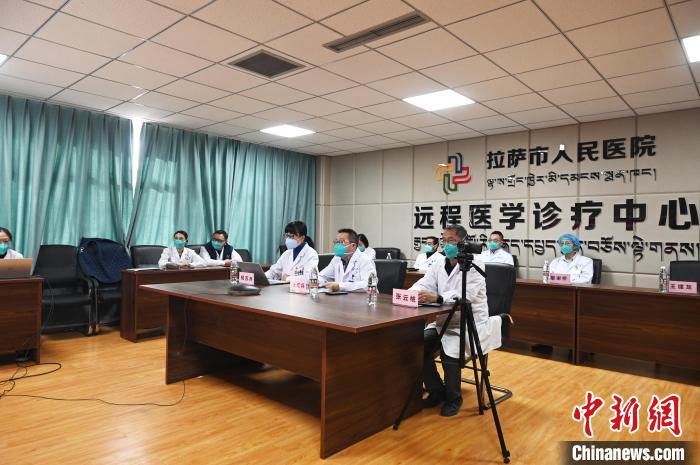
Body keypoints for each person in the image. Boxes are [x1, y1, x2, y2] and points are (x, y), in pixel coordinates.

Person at [409, 224, 506, 417]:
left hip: (469, 324)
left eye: (451, 240)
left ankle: (454, 398)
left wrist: (438, 298)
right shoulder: (439, 262)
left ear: (463, 243)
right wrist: (412, 293)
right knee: (417, 346)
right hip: (443, 321)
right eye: (444, 240)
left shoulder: (475, 264)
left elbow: (467, 294)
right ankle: (437, 390)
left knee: (450, 352)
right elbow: (424, 283)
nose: (446, 245)